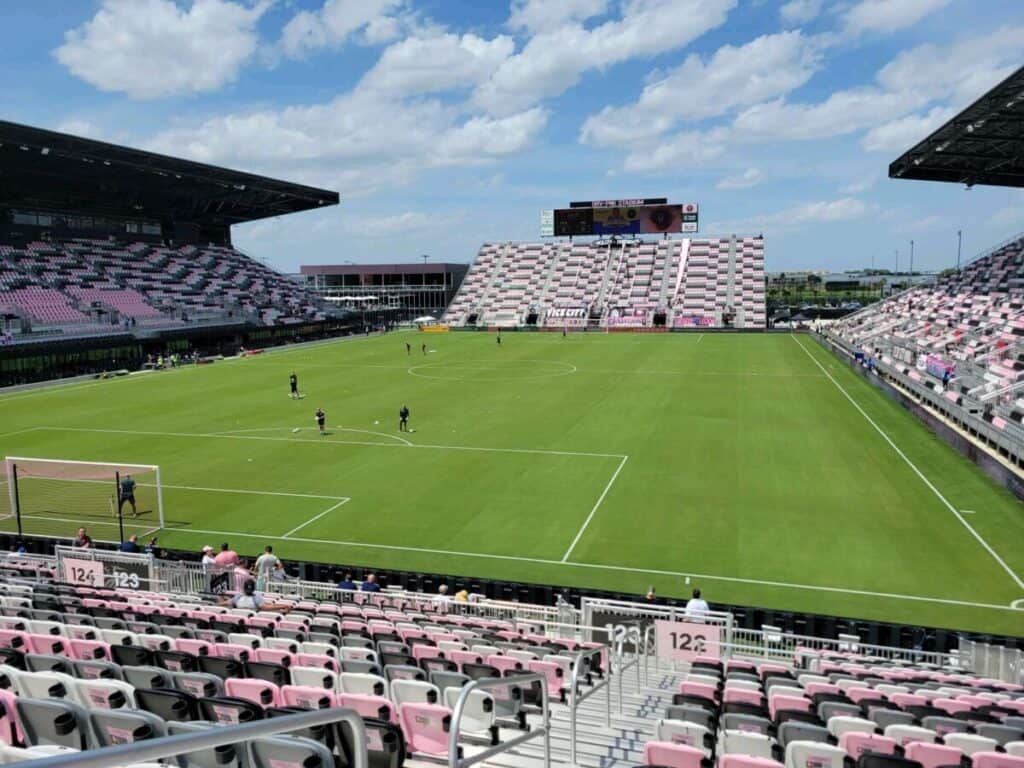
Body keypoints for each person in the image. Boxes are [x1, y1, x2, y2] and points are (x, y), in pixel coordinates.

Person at [222, 578, 290, 612]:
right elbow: (266, 608)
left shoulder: (237, 598)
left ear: (244, 587)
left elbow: (224, 603)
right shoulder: (257, 598)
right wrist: (283, 606)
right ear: (254, 588)